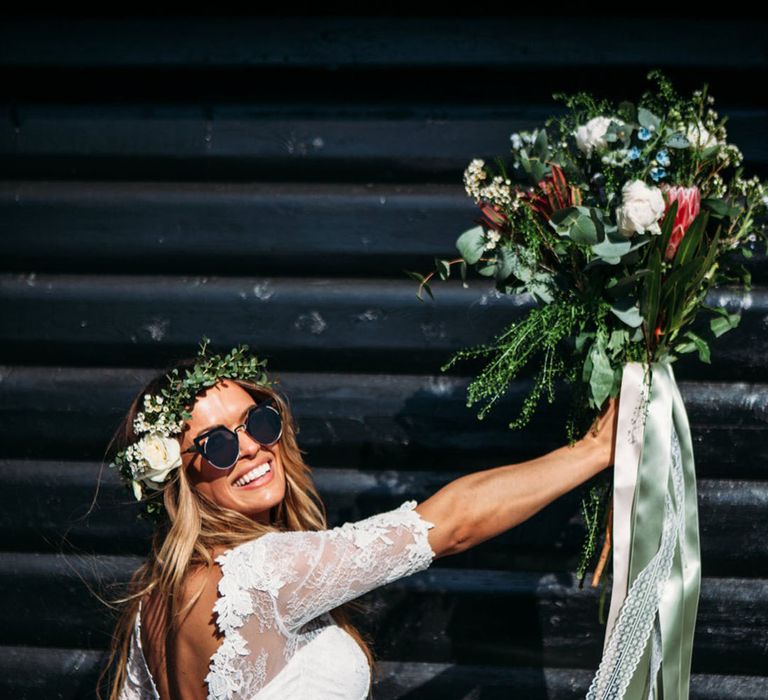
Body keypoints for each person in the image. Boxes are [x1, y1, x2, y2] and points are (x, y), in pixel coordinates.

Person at [98, 337, 618, 700]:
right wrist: (593, 451)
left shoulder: (152, 606)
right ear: (176, 480)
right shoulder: (260, 573)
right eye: (216, 444)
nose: (252, 448)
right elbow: (451, 525)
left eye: (257, 420)